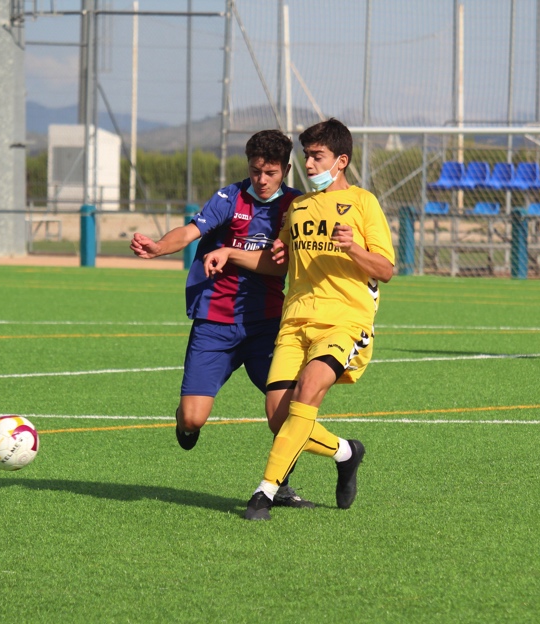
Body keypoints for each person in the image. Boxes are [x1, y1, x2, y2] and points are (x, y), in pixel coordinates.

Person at [219, 118, 395, 521]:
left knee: (310, 389)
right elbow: (279, 259)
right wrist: (248, 254)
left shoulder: (364, 203)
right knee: (279, 417)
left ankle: (264, 492)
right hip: (295, 321)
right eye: (308, 156)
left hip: (344, 321)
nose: (310, 165)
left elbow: (384, 269)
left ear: (341, 160)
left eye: (318, 157)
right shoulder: (297, 207)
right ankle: (346, 452)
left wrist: (352, 248)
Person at [129, 129, 312, 509]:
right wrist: (160, 246)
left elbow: (280, 269)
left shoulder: (297, 207)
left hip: (266, 324)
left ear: (286, 170)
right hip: (215, 321)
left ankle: (281, 485)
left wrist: (232, 252)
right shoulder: (229, 197)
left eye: (271, 173)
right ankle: (183, 419)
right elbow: (191, 231)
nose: (261, 179)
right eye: (256, 170)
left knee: (283, 412)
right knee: (194, 419)